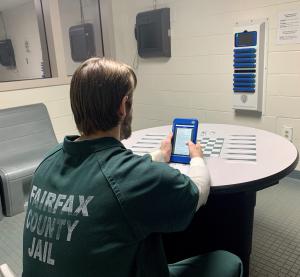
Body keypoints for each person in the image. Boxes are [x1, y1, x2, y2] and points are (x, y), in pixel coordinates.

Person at [23, 58, 243, 277]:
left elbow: (106, 175)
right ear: (122, 106)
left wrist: (159, 155)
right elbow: (197, 193)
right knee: (228, 262)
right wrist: (197, 158)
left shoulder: (47, 162)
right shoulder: (133, 177)